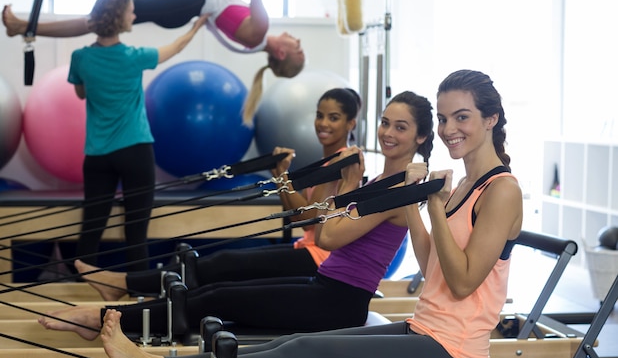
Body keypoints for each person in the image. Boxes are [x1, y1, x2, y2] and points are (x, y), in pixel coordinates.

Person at [97, 69, 523, 358]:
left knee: (302, 351)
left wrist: (428, 203)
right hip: (425, 329)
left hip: (454, 353)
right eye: (446, 118)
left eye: (462, 117)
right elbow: (432, 268)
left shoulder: (501, 191)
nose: (451, 130)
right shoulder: (462, 184)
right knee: (290, 342)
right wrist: (414, 202)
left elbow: (464, 282)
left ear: (491, 119)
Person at [37, 90, 435, 341]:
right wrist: (284, 176)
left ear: (419, 137)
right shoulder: (377, 181)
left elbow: (328, 237)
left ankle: (105, 317)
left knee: (219, 291)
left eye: (401, 127)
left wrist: (347, 182)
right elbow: (314, 219)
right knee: (212, 290)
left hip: (341, 301)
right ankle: (112, 310)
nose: (388, 133)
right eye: (385, 122)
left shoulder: (398, 190)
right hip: (324, 283)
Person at [74, 87, 362, 301]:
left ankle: (124, 284)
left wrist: (283, 175)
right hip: (308, 250)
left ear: (350, 123)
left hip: (320, 258)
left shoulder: (340, 161)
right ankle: (127, 285)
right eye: (320, 115)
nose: (323, 124)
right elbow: (294, 217)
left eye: (334, 118)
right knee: (219, 266)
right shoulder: (328, 160)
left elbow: (309, 217)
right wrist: (278, 172)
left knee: (223, 265)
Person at [2, 0, 305, 124]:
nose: (297, 41)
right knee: (100, 18)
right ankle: (26, 27)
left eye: (298, 48)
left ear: (281, 54)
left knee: (101, 17)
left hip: (187, 2)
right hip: (185, 3)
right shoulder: (252, 35)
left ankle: (23, 27)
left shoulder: (259, 31)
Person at [71, 0, 206, 272]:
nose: (134, 16)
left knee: (92, 226)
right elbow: (177, 46)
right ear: (120, 20)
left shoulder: (80, 58)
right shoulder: (136, 57)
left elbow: (81, 92)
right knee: (136, 228)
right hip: (135, 150)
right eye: (131, 12)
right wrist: (197, 25)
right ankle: (138, 297)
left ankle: (80, 292)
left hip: (97, 155)